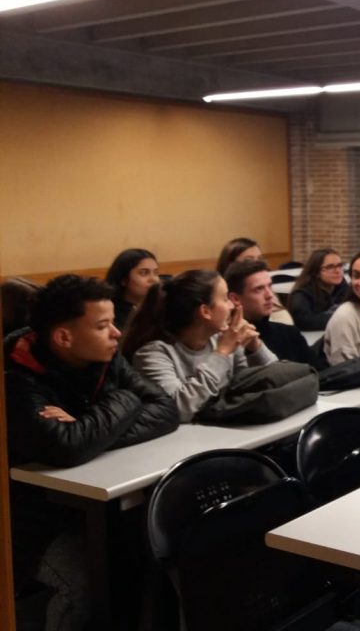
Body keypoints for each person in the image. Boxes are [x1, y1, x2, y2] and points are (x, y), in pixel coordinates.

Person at [4, 275, 178, 629]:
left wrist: (88, 429)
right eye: (102, 326)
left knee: (154, 556)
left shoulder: (103, 356)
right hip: (29, 521)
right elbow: (66, 447)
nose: (117, 333)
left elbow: (165, 410)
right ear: (63, 337)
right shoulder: (15, 375)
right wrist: (124, 400)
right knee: (85, 586)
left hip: (93, 506)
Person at [123, 269, 277, 422]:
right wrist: (222, 353)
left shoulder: (220, 339)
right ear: (205, 311)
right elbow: (178, 410)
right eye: (225, 299)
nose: (232, 305)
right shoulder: (152, 354)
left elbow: (272, 380)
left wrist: (255, 347)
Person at [224, 259, 318, 367]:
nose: (269, 295)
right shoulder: (226, 344)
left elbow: (318, 373)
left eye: (269, 286)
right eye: (259, 289)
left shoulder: (289, 334)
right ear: (235, 299)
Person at [216, 236, 293, 324]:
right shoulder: (219, 300)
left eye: (259, 259)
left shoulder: (267, 292)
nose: (256, 264)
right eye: (249, 260)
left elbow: (283, 319)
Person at [287, 248, 348, 331]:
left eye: (340, 265)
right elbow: (304, 322)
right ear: (316, 272)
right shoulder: (301, 295)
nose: (338, 271)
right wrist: (343, 317)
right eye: (330, 267)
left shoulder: (342, 286)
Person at [104, 248, 160, 331]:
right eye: (144, 273)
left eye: (156, 273)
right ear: (123, 280)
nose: (154, 279)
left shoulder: (160, 306)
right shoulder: (111, 314)